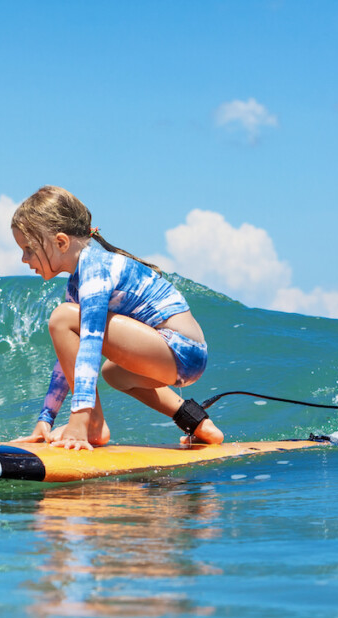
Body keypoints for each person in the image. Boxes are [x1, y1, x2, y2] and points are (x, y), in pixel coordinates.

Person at [11, 185, 224, 450]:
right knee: (113, 373)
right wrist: (46, 419)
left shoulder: (97, 269)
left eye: (29, 249)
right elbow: (69, 359)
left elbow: (90, 345)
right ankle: (197, 423)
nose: (24, 258)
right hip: (177, 357)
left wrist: (80, 419)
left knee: (62, 318)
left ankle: (93, 425)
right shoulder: (78, 283)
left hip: (179, 349)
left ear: (61, 242)